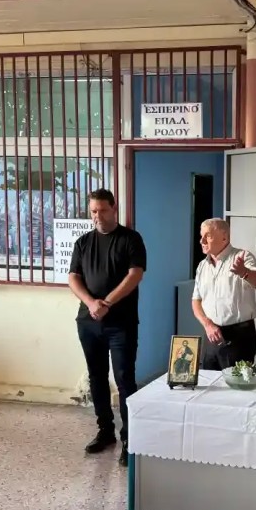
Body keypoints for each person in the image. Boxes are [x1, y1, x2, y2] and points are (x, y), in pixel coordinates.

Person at [68, 189, 146, 467]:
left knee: (125, 379)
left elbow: (135, 274)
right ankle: (105, 431)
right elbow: (73, 277)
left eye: (102, 210)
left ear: (114, 208)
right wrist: (92, 303)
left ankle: (129, 439)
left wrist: (107, 303)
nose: (97, 216)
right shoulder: (83, 242)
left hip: (120, 324)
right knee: (97, 377)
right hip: (89, 322)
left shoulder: (130, 239)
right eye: (93, 211)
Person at [192, 218, 256, 371]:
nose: (202, 241)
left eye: (208, 236)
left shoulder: (242, 256)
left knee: (239, 383)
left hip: (239, 337)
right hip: (211, 334)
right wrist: (207, 324)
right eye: (201, 236)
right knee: (210, 381)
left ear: (224, 237)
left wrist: (244, 272)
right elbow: (196, 301)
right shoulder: (202, 266)